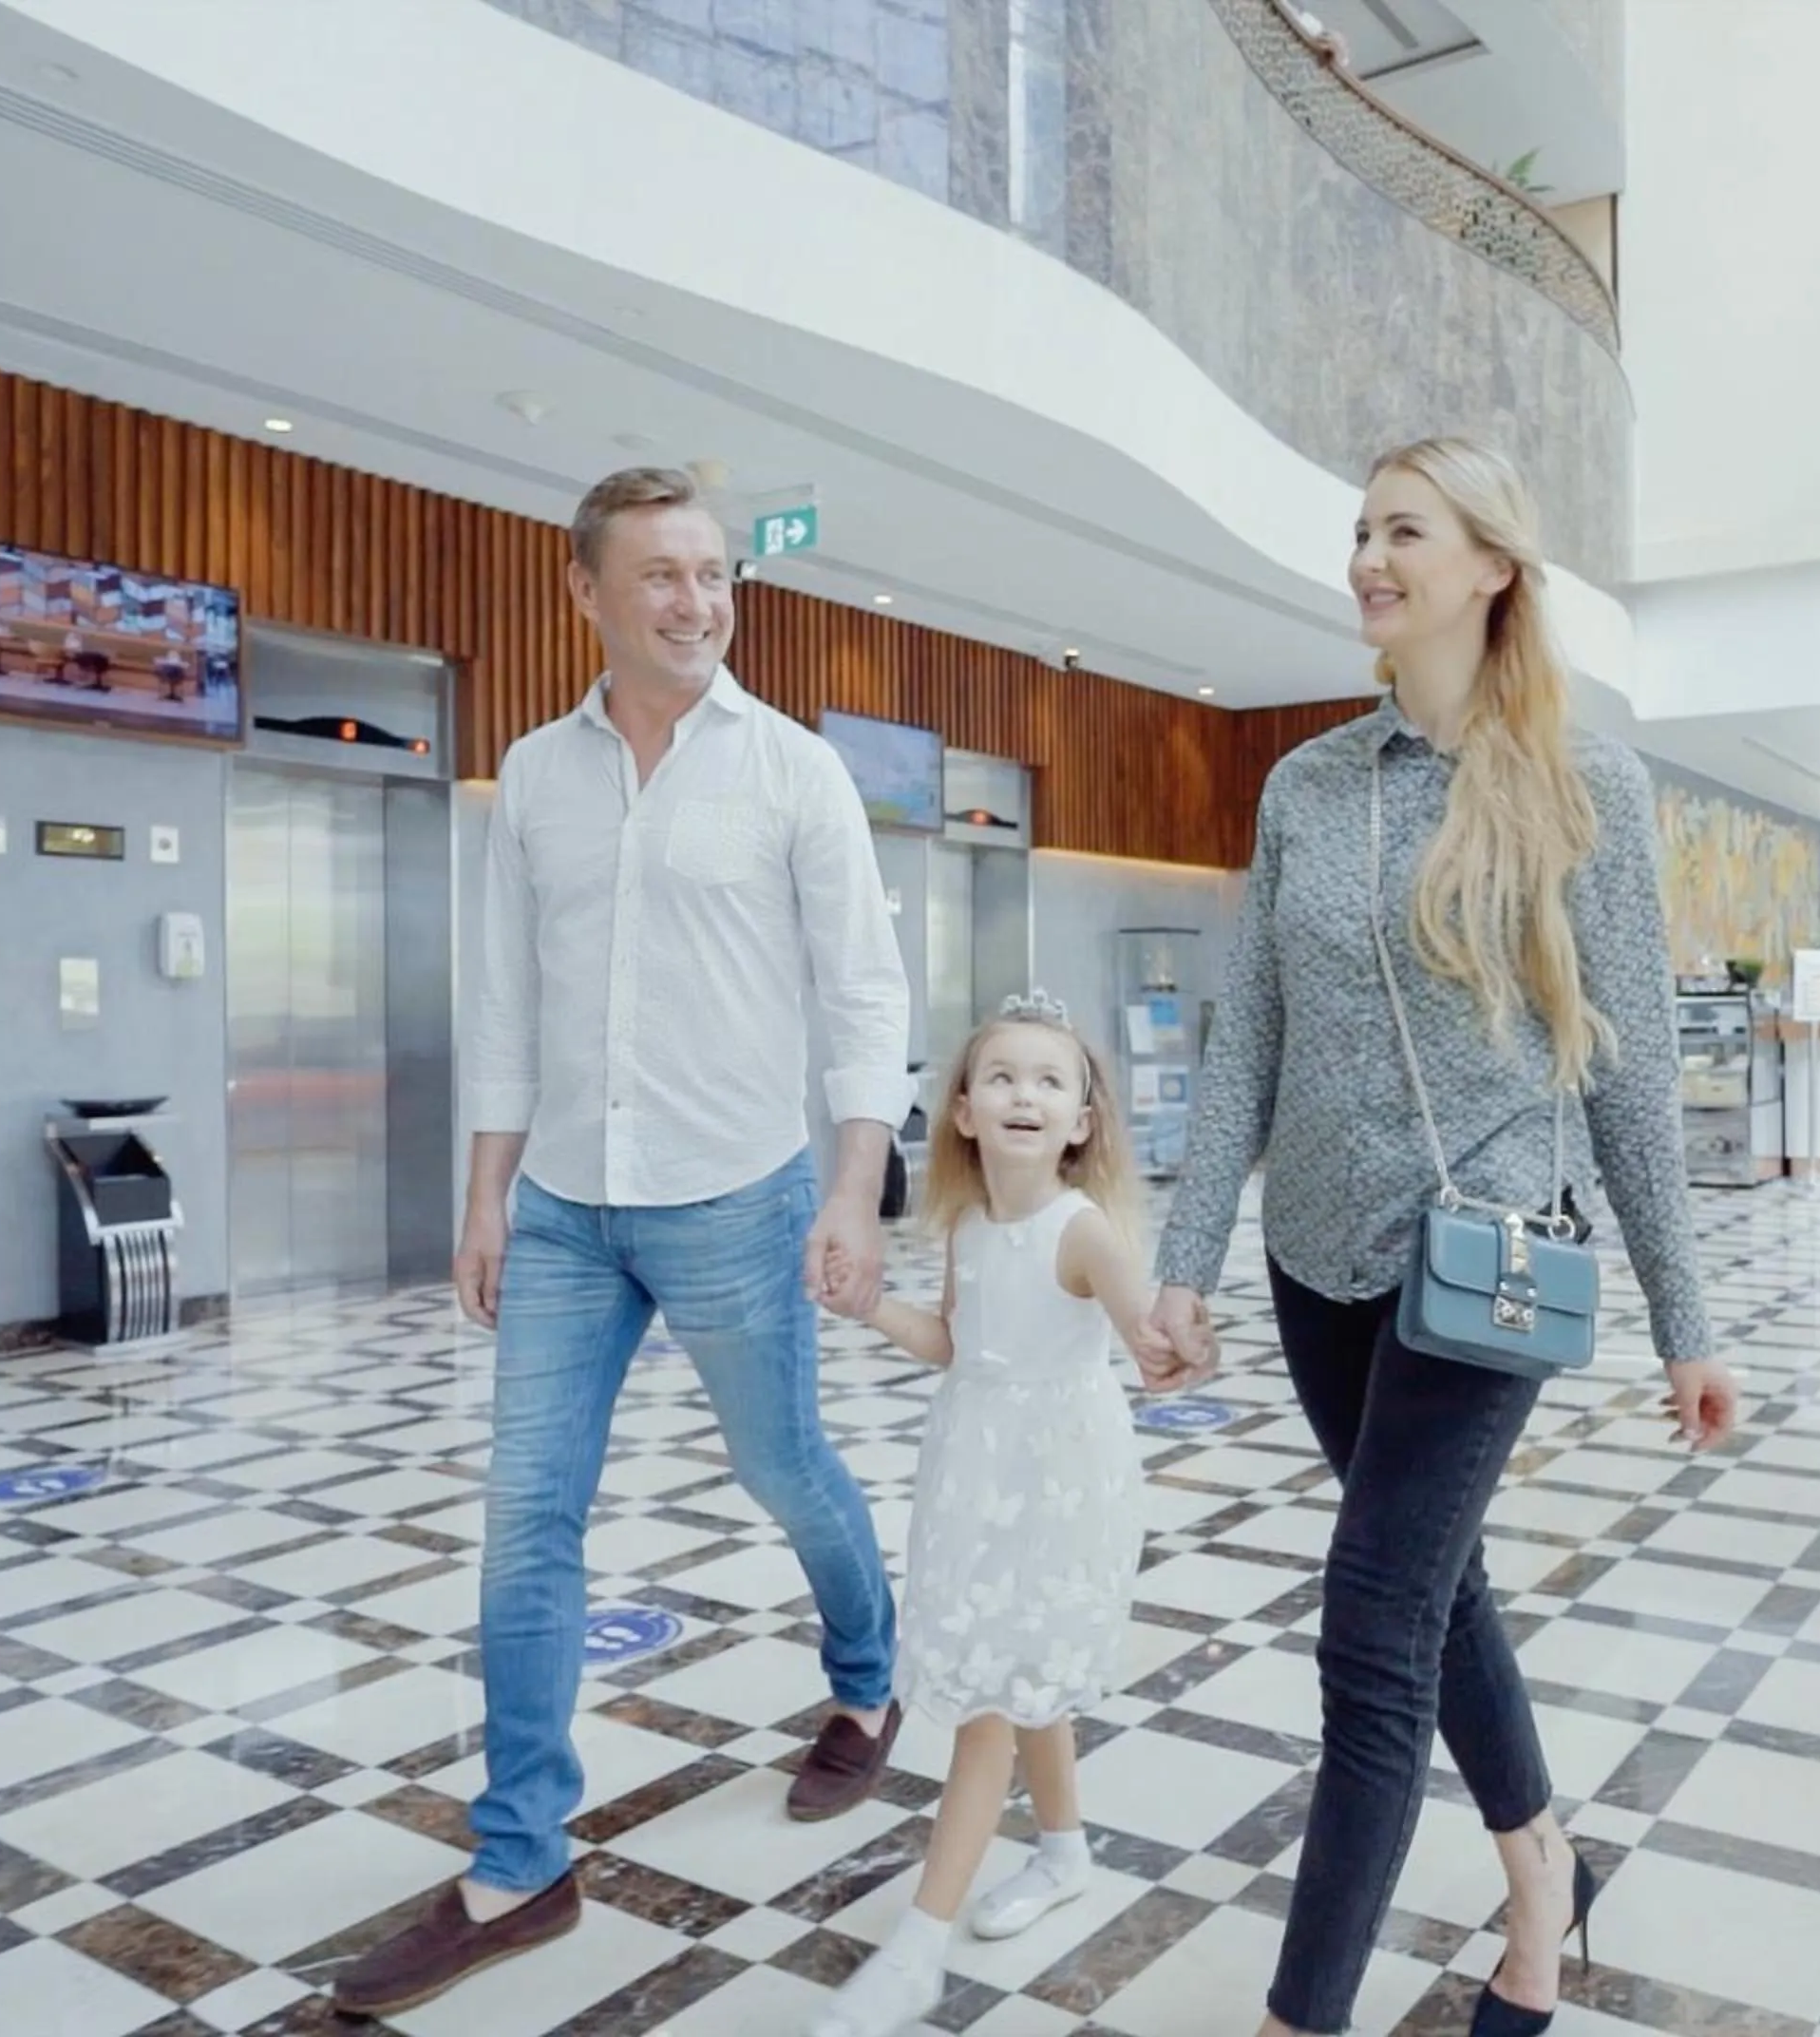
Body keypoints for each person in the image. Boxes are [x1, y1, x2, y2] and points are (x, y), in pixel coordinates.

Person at [1147, 437, 1742, 2037]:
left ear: (1492, 567)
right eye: (1361, 530)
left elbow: (1628, 1073)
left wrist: (1686, 1320)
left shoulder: (1584, 787)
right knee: (1434, 1582)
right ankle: (1543, 1869)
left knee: (1371, 1626)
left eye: (1403, 530)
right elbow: (1249, 1037)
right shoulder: (1306, 785)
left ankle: (1302, 2014)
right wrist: (1186, 1262)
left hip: (1488, 1271)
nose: (1367, 557)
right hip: (1315, 1259)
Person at [335, 467, 916, 2017]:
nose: (695, 600)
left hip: (739, 1192)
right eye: (660, 573)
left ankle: (869, 1678)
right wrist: (486, 1192)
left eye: (712, 573)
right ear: (584, 590)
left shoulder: (792, 770)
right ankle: (519, 1857)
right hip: (564, 1208)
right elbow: (506, 1000)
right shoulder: (536, 774)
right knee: (527, 1515)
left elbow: (865, 991)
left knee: (784, 1467)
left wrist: (855, 1187)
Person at [809, 994, 1200, 2037]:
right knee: (1021, 1676)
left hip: (1058, 1486)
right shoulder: (972, 1226)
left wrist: (1166, 1344)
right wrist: (867, 1307)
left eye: (1049, 1080)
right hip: (974, 1472)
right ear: (965, 1110)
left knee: (990, 1700)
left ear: (1081, 1120)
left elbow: (1140, 1325)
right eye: (1003, 1076)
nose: (1025, 1093)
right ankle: (1064, 1852)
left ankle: (919, 1948)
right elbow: (954, 1341)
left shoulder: (1082, 1231)